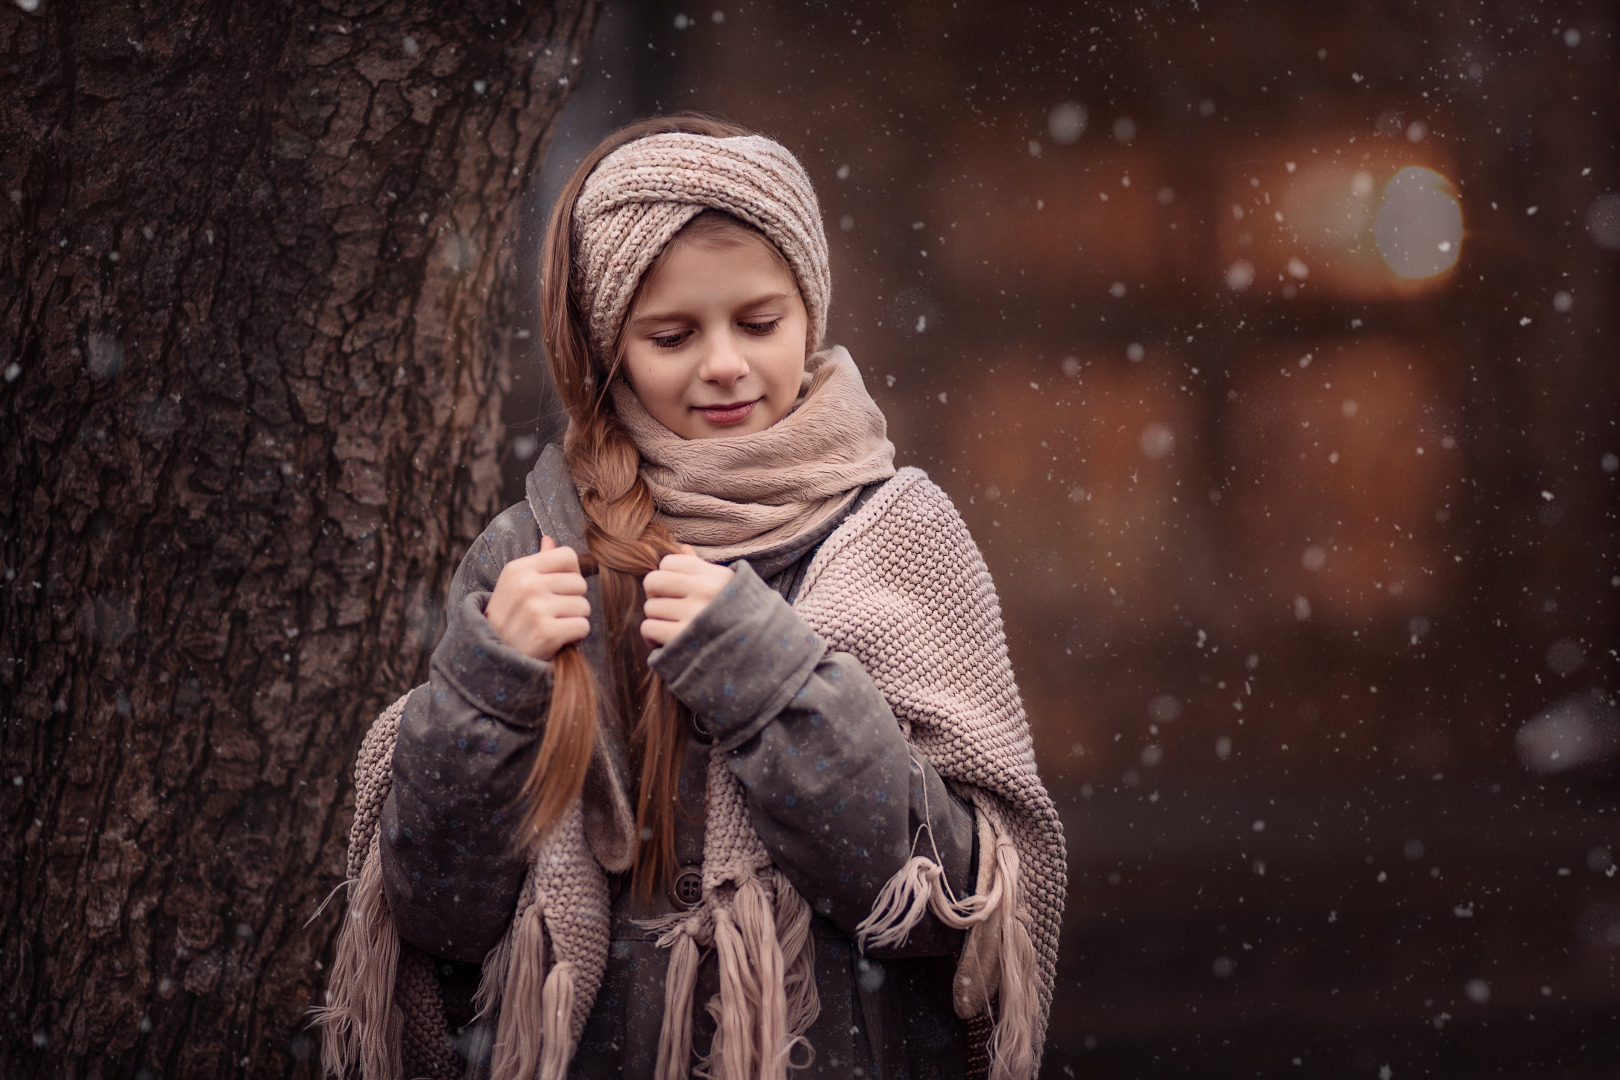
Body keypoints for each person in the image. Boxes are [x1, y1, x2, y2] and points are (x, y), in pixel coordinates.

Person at [316, 114, 1066, 1080]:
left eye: (759, 323)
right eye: (671, 334)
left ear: (811, 313)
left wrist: (772, 679)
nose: (723, 363)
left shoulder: (900, 536)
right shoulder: (534, 551)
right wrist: (485, 696)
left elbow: (944, 902)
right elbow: (440, 913)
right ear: (609, 346)